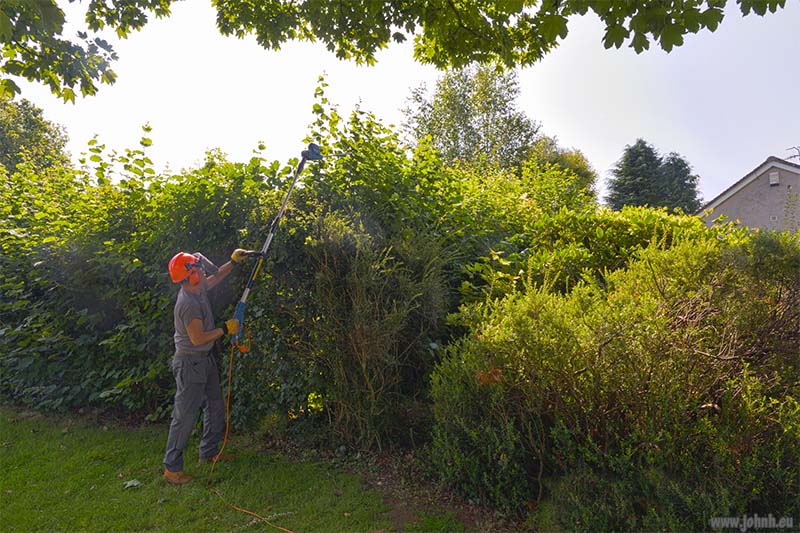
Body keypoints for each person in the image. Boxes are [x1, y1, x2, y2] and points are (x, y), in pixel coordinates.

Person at [162, 248, 252, 485]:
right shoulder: (187, 304)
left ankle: (209, 453)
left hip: (205, 359)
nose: (203, 271)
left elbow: (216, 277)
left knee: (214, 406)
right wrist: (225, 328)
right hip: (190, 363)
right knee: (184, 416)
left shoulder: (197, 288)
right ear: (190, 277)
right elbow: (198, 338)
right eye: (198, 268)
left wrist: (232, 262)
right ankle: (172, 469)